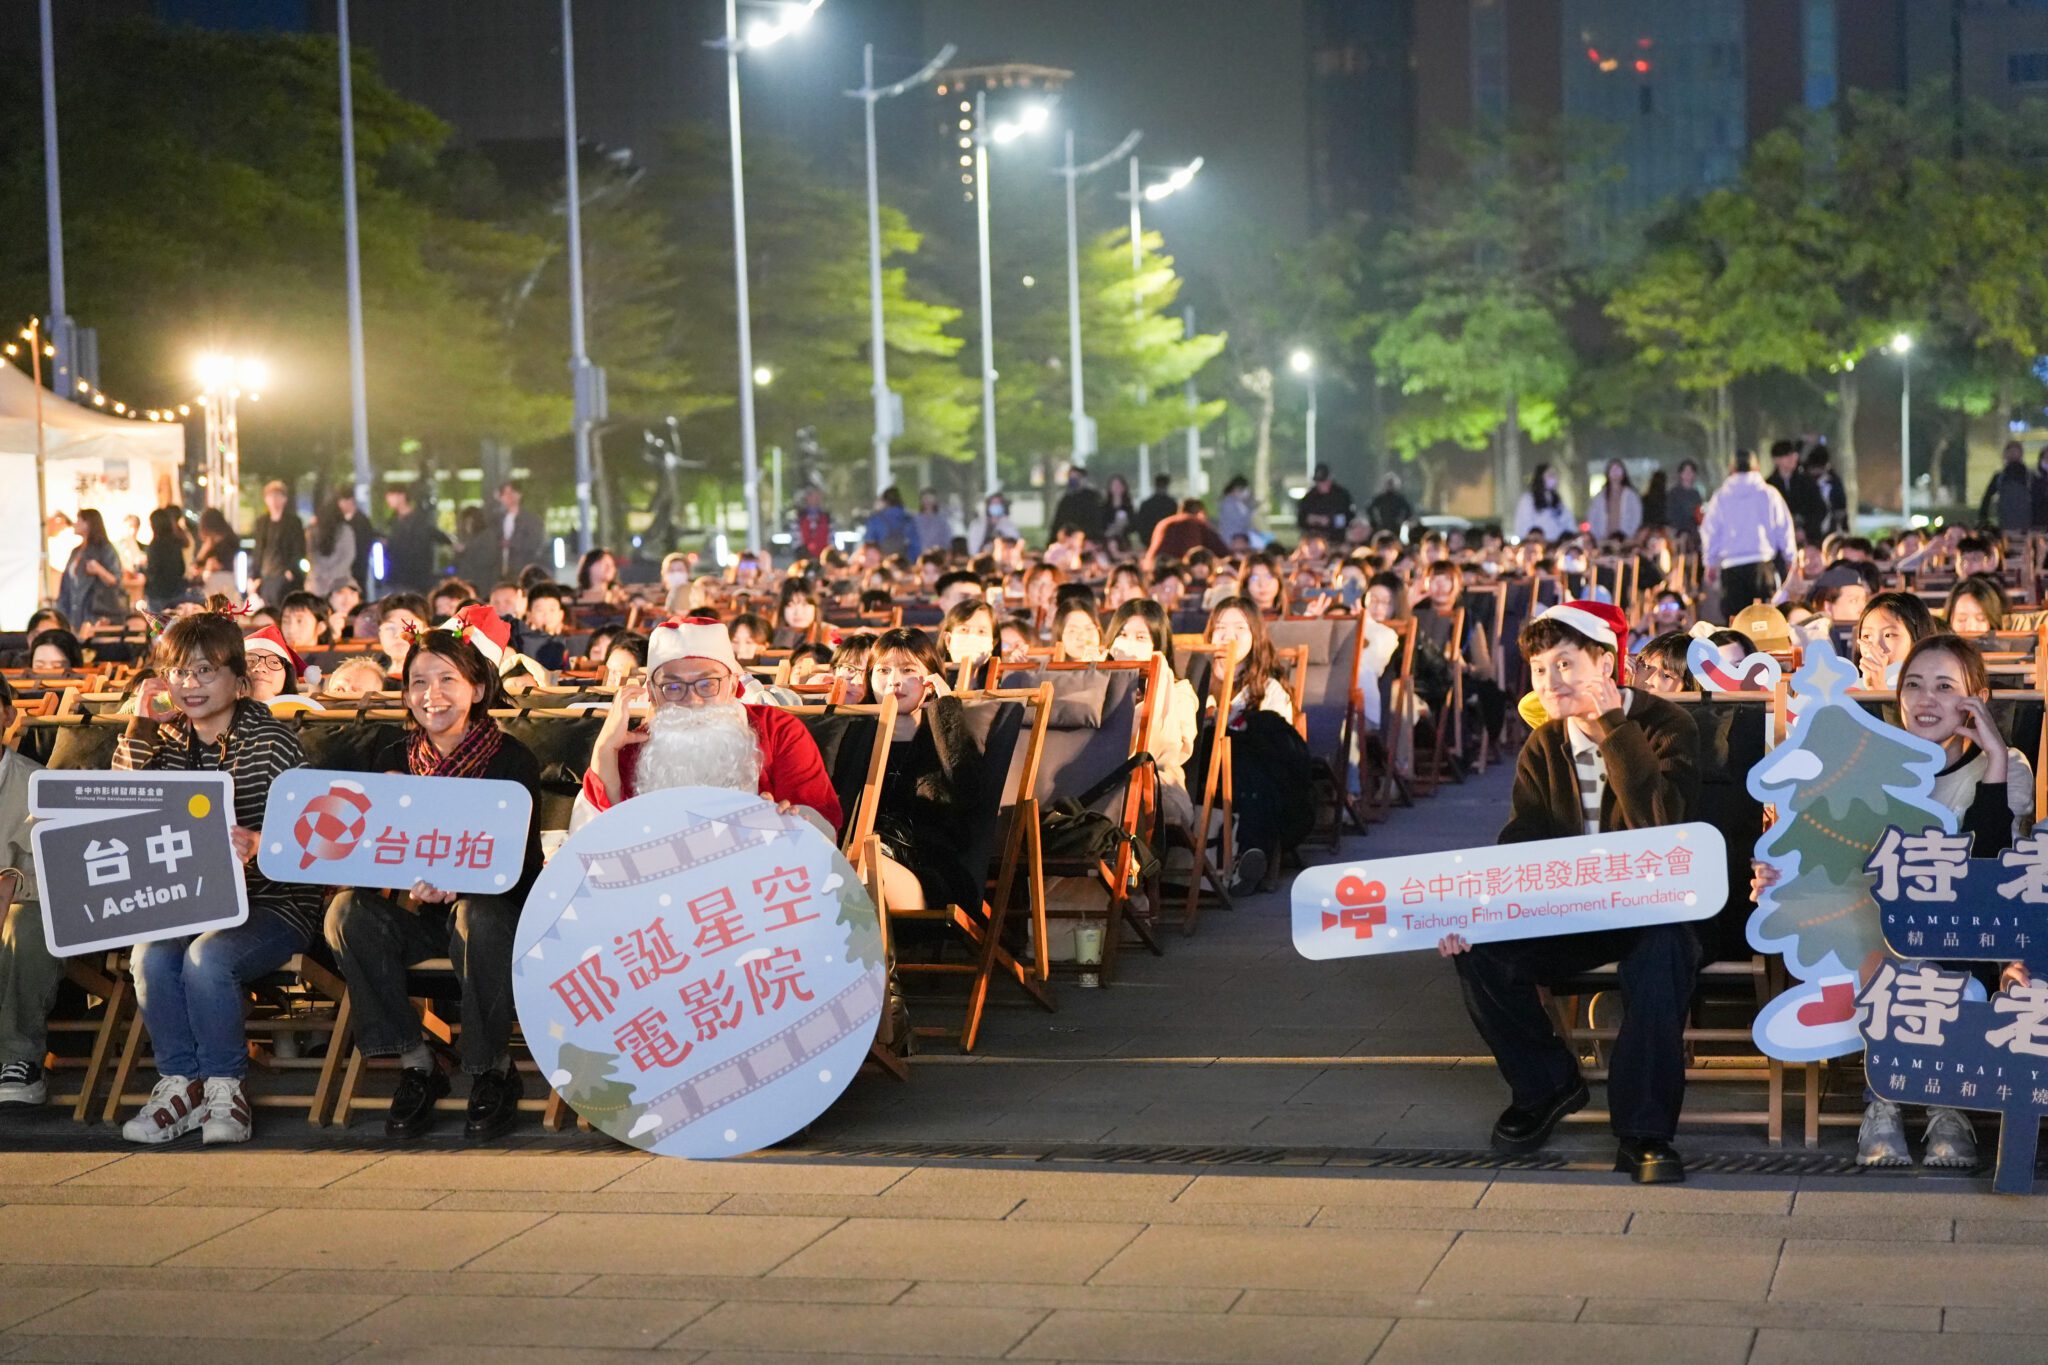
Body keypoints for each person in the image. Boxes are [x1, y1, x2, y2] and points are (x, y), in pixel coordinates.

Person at [1438, 600, 1702, 1184]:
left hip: (1654, 904)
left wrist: (1615, 732)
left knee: (1663, 954)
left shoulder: (1668, 727)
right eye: (1538, 669)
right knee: (1479, 950)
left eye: (1564, 664)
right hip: (1571, 908)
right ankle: (1547, 1085)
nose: (1549, 682)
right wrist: (1478, 909)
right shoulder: (1543, 745)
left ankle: (1643, 1132)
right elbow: (1523, 842)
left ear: (1604, 663)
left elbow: (1664, 831)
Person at [1754, 633, 2034, 1167]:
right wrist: (1778, 878)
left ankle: (1943, 1106)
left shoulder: (2005, 765)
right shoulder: (1874, 763)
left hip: (1971, 929)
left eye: (1945, 686)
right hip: (1873, 932)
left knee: (1939, 914)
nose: (1926, 700)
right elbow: (1837, 862)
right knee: (1880, 921)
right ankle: (1886, 1101)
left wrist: (1994, 756)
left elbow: (1984, 865)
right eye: (1914, 685)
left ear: (1977, 699)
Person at [324, 613, 545, 1140]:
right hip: (420, 913)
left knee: (477, 914)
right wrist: (404, 878)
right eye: (419, 682)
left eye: (448, 679)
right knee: (345, 913)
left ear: (477, 686)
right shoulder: (392, 758)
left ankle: (492, 1069)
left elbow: (524, 867)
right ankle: (417, 1061)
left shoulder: (511, 761)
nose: (432, 695)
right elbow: (371, 853)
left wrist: (461, 881)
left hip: (496, 912)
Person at [113, 607, 319, 1144]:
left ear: (238, 678)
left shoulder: (272, 740)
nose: (191, 685)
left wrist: (262, 843)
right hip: (191, 899)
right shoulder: (164, 738)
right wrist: (140, 720)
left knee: (208, 956)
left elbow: (310, 839)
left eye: (206, 671)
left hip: (275, 901)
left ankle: (225, 1086)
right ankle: (180, 1084)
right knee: (150, 955)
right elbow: (117, 807)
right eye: (179, 672)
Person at [575, 617, 842, 835]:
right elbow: (592, 842)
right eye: (673, 687)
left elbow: (822, 828)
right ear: (653, 694)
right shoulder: (633, 743)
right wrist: (604, 750)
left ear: (733, 684)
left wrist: (786, 823)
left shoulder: (777, 730)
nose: (692, 699)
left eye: (707, 683)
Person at [864, 629, 985, 914]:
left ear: (931, 680)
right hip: (862, 857)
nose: (894, 681)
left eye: (908, 670)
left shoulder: (946, 736)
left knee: (860, 862)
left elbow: (968, 793)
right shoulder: (859, 737)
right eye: (882, 670)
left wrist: (946, 713)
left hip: (928, 872)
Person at [1198, 597, 1310, 894]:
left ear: (1255, 636)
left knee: (1249, 753)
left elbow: (1278, 745)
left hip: (1253, 779)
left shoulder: (1269, 688)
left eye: (1240, 628)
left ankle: (1248, 856)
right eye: (1220, 628)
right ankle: (1236, 855)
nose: (1228, 636)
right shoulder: (1195, 680)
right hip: (1202, 775)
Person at [0, 675, 52, 1106]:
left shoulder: (36, 785)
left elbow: (56, 869)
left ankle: (20, 1057)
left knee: (29, 924)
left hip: (20, 904)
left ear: (7, 714)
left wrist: (13, 882)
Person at [1107, 600, 1200, 832]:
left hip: (1158, 784)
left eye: (1141, 638)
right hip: (1100, 780)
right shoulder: (1099, 684)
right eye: (1123, 634)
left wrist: (1158, 684)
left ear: (1158, 645)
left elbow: (1167, 750)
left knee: (1129, 792)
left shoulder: (1180, 692)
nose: (1129, 645)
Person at [1699, 450, 1796, 620]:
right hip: (1762, 565)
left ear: (1732, 469)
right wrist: (1790, 558)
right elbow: (1783, 527)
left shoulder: (1721, 496)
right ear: (1756, 467)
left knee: (1736, 621)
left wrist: (1710, 563)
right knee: (1765, 620)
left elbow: (1711, 532)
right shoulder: (1768, 493)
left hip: (1732, 568)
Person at [1854, 590, 1938, 691]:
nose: (1876, 647)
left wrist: (1878, 690)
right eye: (1867, 636)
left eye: (1888, 635)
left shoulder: (1934, 691)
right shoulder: (1850, 690)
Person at [58, 508, 126, 626]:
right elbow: (67, 583)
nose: (75, 524)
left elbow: (116, 579)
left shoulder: (104, 548)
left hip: (95, 611)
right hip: (73, 610)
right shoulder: (76, 551)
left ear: (88, 524)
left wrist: (99, 570)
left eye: (79, 520)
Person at [383, 486, 449, 594]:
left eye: (391, 496)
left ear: (402, 496)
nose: (388, 501)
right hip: (398, 576)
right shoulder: (392, 521)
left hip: (416, 577)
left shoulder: (420, 520)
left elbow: (429, 537)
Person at [250, 481, 306, 605]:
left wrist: (291, 570)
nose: (274, 500)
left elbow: (299, 548)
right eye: (270, 496)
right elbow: (258, 550)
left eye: (277, 496)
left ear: (284, 499)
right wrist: (254, 576)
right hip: (266, 575)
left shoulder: (293, 522)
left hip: (284, 575)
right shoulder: (262, 523)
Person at [1144, 498, 1231, 570]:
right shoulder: (1196, 522)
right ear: (1200, 513)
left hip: (1154, 566)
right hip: (1182, 568)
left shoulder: (1164, 523)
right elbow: (1221, 549)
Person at [142, 506, 192, 614]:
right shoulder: (176, 543)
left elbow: (153, 570)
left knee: (158, 627)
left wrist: (143, 571)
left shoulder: (154, 546)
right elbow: (181, 568)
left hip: (157, 593)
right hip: (176, 592)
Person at [307, 496, 357, 598]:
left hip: (316, 584)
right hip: (341, 583)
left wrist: (321, 574)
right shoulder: (346, 531)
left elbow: (309, 556)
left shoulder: (311, 532)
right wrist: (332, 575)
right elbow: (349, 556)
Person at [1980, 440, 2035, 534]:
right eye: (2011, 451)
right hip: (2005, 524)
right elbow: (1987, 498)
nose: (2013, 454)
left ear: (2021, 454)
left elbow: (2038, 500)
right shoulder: (1999, 477)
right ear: (2005, 454)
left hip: (2026, 526)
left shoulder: (2030, 476)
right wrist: (1983, 518)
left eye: (2016, 451)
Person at [497, 482, 546, 578]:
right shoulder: (498, 519)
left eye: (512, 492)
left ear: (519, 495)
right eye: (505, 494)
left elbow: (535, 543)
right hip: (501, 571)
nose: (508, 496)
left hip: (523, 569)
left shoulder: (531, 519)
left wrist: (511, 543)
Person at [1512, 465, 1573, 541]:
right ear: (1540, 477)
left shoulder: (1558, 501)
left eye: (1555, 475)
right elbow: (1523, 526)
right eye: (1550, 475)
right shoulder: (1528, 499)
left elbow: (1568, 523)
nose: (1554, 478)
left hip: (1556, 545)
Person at [1586, 461, 1642, 540]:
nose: (1615, 474)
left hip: (1625, 539)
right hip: (1604, 538)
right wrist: (1597, 536)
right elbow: (1592, 517)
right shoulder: (1600, 497)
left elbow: (1636, 517)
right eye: (1612, 470)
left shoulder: (1631, 496)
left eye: (1618, 470)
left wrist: (1630, 535)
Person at [1051, 466, 1108, 541]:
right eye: (1071, 477)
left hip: (1088, 540)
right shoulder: (1066, 500)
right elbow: (1058, 523)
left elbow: (1097, 522)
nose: (1073, 480)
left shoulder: (1092, 497)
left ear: (1083, 479)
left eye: (1076, 477)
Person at [336, 491, 377, 593]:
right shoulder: (340, 520)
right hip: (343, 568)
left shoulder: (361, 521)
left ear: (350, 501)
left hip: (358, 566)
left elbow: (364, 545)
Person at [1805, 445, 1848, 540]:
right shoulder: (1805, 483)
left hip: (1830, 527)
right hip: (1811, 528)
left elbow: (1840, 507)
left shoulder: (1833, 482)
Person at [863, 486, 919, 559]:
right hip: (904, 562)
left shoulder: (876, 519)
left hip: (882, 563)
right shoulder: (908, 519)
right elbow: (915, 545)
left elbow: (869, 541)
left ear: (884, 501)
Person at [1134, 473, 1178, 549]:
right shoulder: (1172, 504)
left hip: (1150, 542)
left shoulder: (1146, 504)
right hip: (1168, 543)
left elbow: (1140, 525)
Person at [1217, 476, 1258, 546]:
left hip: (1239, 540)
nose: (1246, 492)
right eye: (1244, 489)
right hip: (1231, 541)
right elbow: (1241, 522)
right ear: (1237, 489)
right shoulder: (1228, 503)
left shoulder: (1238, 502)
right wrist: (1252, 510)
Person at [795, 487, 834, 559]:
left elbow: (831, 538)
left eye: (818, 496)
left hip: (824, 557)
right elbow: (796, 539)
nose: (815, 498)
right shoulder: (800, 517)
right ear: (807, 498)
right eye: (812, 495)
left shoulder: (826, 517)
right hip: (805, 557)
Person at [913, 489, 955, 555]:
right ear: (921, 501)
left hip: (937, 557)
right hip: (919, 557)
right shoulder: (915, 520)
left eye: (930, 499)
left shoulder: (942, 521)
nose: (928, 502)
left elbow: (947, 540)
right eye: (925, 499)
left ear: (935, 501)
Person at [1103, 475, 1136, 549]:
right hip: (1109, 542)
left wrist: (1125, 525)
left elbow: (1133, 525)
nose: (1117, 488)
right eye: (1114, 485)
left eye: (1119, 485)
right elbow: (1102, 525)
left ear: (1124, 488)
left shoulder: (1128, 507)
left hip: (1124, 541)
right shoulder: (1104, 507)